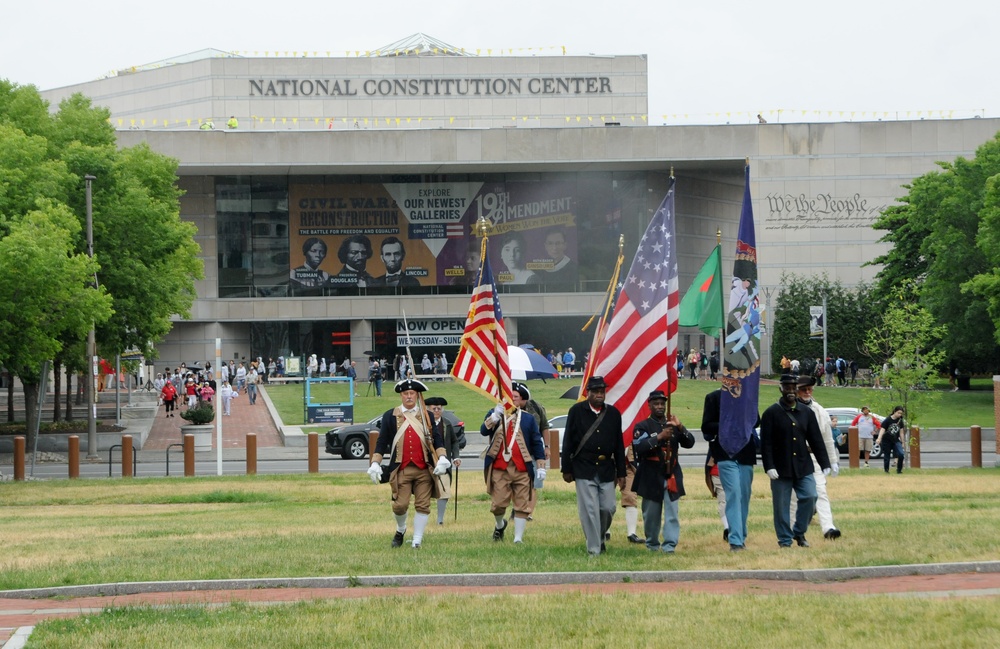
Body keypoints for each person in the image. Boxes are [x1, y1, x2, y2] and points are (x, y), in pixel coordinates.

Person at [366, 379, 450, 549]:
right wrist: (375, 462)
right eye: (406, 393)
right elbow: (382, 441)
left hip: (424, 469)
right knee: (400, 506)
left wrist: (442, 457)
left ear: (417, 395)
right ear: (401, 395)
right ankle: (401, 529)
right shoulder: (390, 415)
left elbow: (437, 439)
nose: (409, 396)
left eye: (412, 393)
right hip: (401, 469)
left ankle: (417, 540)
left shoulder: (426, 416)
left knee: (423, 505)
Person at [760, 373, 831, 548]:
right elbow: (766, 443)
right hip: (780, 467)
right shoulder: (771, 413)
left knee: (811, 496)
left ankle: (799, 531)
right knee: (781, 506)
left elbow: (816, 439)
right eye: (787, 388)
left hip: (803, 465)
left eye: (793, 388)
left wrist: (825, 463)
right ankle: (785, 540)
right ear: (781, 389)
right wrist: (769, 466)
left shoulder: (806, 412)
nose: (790, 391)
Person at [561, 375, 626, 556]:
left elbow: (619, 444)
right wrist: (566, 468)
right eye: (596, 391)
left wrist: (621, 472)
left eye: (602, 391)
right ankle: (594, 549)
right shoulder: (576, 411)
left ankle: (599, 536)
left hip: (606, 468)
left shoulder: (613, 413)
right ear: (588, 393)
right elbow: (568, 442)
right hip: (583, 467)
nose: (599, 394)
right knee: (589, 510)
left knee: (608, 507)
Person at [481, 383, 546, 543]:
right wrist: (494, 417)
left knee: (522, 503)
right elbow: (483, 431)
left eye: (514, 397)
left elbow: (537, 442)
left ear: (520, 400)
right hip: (499, 468)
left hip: (522, 468)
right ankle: (499, 524)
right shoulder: (495, 413)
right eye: (508, 396)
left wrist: (541, 465)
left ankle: (518, 538)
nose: (511, 399)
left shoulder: (528, 418)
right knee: (498, 505)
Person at [632, 390, 695, 552]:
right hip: (650, 474)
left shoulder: (672, 424)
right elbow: (639, 447)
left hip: (671, 473)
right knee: (651, 514)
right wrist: (659, 437)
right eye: (656, 404)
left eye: (662, 403)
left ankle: (670, 545)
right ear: (649, 406)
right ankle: (652, 544)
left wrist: (680, 426)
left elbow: (690, 442)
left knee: (672, 512)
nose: (660, 407)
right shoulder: (642, 426)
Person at [702, 387, 759, 552]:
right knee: (733, 494)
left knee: (744, 495)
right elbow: (706, 426)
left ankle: (741, 534)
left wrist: (744, 411)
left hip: (746, 453)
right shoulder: (713, 397)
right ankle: (735, 540)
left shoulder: (746, 396)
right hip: (725, 453)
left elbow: (756, 421)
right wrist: (729, 422)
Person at [793, 376, 842, 540]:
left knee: (821, 491)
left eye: (809, 389)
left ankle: (828, 528)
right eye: (803, 389)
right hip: (794, 457)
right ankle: (793, 529)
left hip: (813, 457)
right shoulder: (789, 409)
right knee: (794, 496)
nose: (807, 392)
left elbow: (827, 439)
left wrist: (832, 461)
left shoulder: (820, 411)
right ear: (796, 390)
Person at [426, 396, 465, 525]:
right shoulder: (424, 424)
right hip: (427, 463)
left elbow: (454, 442)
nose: (437, 411)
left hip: (445, 463)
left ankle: (440, 520)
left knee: (445, 491)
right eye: (434, 408)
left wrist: (456, 456)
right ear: (428, 410)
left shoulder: (447, 423)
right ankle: (423, 516)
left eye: (439, 408)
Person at [519, 384, 550, 521]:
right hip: (517, 452)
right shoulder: (508, 409)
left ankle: (529, 513)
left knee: (534, 484)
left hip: (534, 451)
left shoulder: (536, 407)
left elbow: (544, 427)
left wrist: (547, 447)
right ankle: (518, 510)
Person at [877, 406, 907, 474]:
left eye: (901, 413)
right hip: (887, 440)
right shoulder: (887, 420)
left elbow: (901, 432)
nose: (900, 415)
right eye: (898, 413)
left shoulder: (900, 421)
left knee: (901, 454)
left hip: (895, 440)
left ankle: (899, 470)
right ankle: (886, 470)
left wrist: (903, 442)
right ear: (894, 412)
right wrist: (879, 438)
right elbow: (882, 429)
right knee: (887, 456)